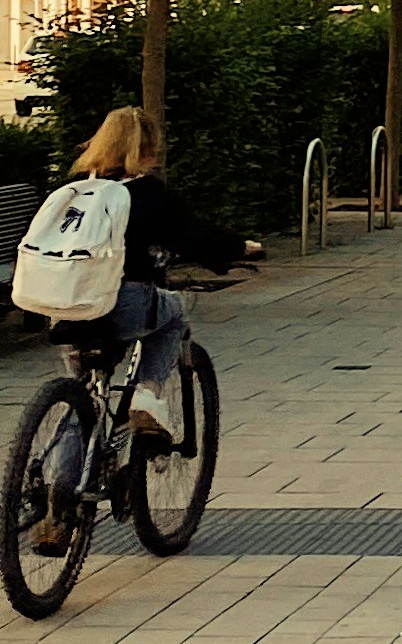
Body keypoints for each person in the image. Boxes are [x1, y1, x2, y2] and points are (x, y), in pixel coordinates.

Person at [25, 109, 261, 550]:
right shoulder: (145, 194)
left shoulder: (74, 191)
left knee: (85, 398)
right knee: (171, 313)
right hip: (123, 305)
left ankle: (60, 499)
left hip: (64, 307)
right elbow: (191, 234)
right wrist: (238, 247)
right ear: (147, 149)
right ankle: (147, 396)